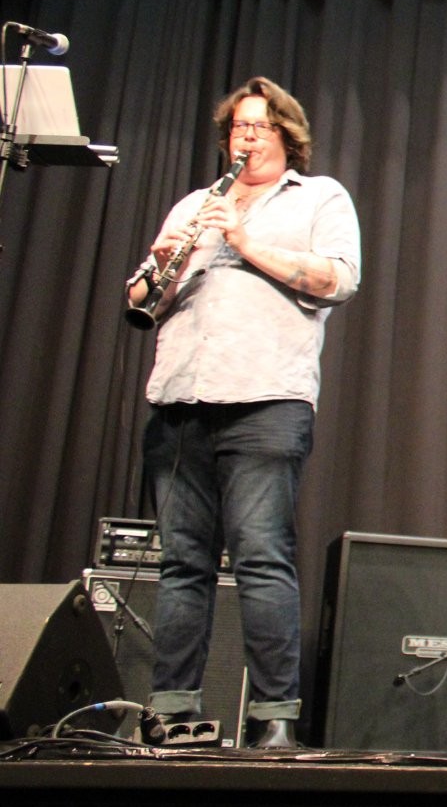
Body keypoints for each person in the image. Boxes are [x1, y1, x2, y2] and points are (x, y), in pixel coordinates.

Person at [127, 77, 361, 749]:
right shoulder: (195, 204)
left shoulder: (320, 197)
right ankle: (171, 710)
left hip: (265, 400)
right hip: (179, 400)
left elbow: (340, 278)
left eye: (259, 126)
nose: (245, 136)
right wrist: (162, 267)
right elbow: (142, 290)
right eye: (237, 127)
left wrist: (244, 241)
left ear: (289, 136)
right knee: (182, 563)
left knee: (260, 558)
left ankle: (272, 716)